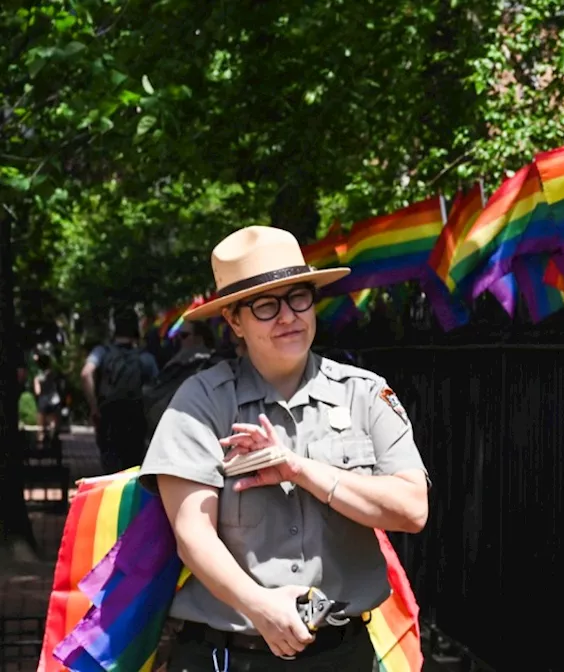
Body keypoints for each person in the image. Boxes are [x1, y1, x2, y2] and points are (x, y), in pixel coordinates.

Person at [139, 225, 430, 671]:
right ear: (234, 320)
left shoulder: (366, 395)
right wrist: (259, 605)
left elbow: (412, 510)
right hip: (231, 656)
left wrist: (301, 470)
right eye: (265, 305)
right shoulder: (200, 403)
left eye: (298, 297)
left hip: (342, 654)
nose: (288, 316)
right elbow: (192, 535)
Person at [81, 308, 159, 473]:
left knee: (110, 467)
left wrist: (94, 407)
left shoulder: (102, 352)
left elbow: (85, 373)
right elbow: (155, 388)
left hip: (108, 417)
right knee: (133, 469)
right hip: (136, 420)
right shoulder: (145, 358)